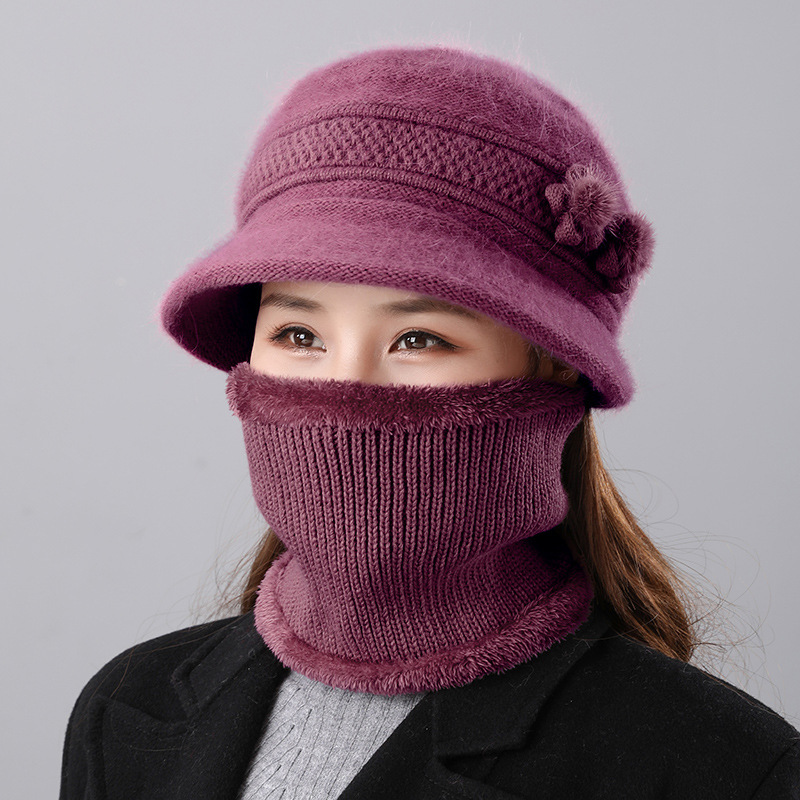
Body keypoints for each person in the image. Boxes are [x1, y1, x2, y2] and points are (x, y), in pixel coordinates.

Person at [59, 45, 800, 799]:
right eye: (298, 334)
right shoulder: (124, 709)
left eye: (419, 339)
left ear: (554, 368)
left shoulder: (721, 770)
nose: (344, 386)